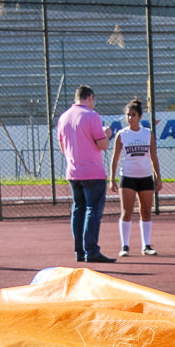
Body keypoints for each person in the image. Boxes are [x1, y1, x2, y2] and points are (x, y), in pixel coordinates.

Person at [57, 85, 115, 263]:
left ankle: (79, 250)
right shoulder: (92, 116)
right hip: (92, 171)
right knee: (93, 210)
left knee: (78, 209)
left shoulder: (64, 117)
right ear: (89, 97)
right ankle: (91, 249)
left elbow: (62, 145)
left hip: (74, 171)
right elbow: (103, 144)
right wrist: (107, 134)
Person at [109, 97, 161, 257]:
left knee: (146, 211)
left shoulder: (147, 134)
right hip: (128, 177)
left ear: (139, 117)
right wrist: (112, 178)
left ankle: (146, 245)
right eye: (128, 115)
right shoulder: (122, 134)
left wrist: (158, 177)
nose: (130, 118)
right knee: (127, 211)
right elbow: (115, 157)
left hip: (145, 176)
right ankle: (125, 245)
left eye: (133, 115)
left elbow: (153, 156)